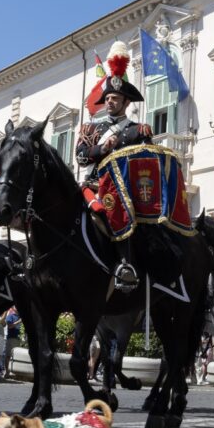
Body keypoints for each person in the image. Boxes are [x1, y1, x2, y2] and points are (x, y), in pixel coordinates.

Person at [75, 41, 152, 289]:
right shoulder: (90, 129)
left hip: (123, 190)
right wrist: (102, 149)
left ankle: (125, 264)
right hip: (92, 185)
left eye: (115, 98)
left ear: (126, 102)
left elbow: (147, 164)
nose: (109, 102)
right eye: (107, 98)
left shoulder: (138, 130)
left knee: (117, 209)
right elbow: (81, 157)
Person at [0, 306, 22, 379]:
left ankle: (12, 372)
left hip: (18, 338)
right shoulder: (10, 316)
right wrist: (19, 321)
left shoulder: (21, 316)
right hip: (11, 338)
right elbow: (10, 326)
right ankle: (6, 372)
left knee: (15, 356)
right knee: (8, 356)